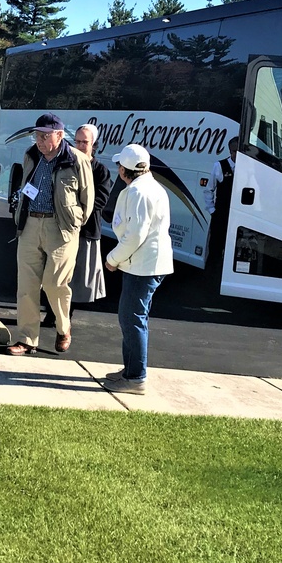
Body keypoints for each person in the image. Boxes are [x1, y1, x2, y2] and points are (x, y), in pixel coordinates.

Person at [7, 112, 94, 356]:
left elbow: (88, 200)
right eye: (37, 135)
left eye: (44, 136)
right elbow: (26, 187)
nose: (39, 140)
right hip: (31, 225)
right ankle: (26, 339)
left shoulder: (76, 159)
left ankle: (63, 327)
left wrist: (74, 223)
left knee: (55, 284)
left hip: (61, 228)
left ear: (59, 135)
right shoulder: (31, 155)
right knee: (27, 285)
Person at [102, 143, 173, 395]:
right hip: (146, 263)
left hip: (143, 265)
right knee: (133, 318)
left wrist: (112, 258)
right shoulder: (150, 187)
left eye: (120, 165)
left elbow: (135, 235)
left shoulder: (137, 193)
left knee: (132, 319)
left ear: (124, 170)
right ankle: (131, 370)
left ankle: (135, 377)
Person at [43, 123, 112, 326]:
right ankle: (51, 312)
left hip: (84, 231)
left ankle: (64, 317)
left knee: (74, 278)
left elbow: (101, 200)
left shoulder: (100, 171)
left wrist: (74, 215)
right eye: (78, 141)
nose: (81, 146)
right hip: (59, 228)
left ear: (94, 144)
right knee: (54, 274)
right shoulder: (63, 163)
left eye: (85, 142)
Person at [203, 135, 238, 269]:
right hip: (221, 213)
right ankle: (211, 272)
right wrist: (212, 210)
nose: (237, 155)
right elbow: (209, 189)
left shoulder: (247, 168)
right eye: (235, 152)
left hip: (237, 215)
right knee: (216, 245)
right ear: (231, 151)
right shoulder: (219, 166)